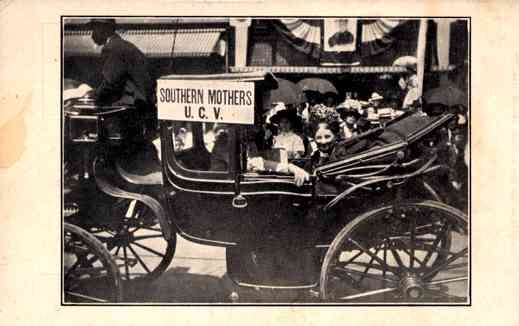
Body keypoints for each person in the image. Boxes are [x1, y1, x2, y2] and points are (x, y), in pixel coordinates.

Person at [89, 18, 156, 138]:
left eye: (95, 29)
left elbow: (111, 82)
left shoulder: (112, 48)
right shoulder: (126, 46)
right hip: (143, 108)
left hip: (129, 110)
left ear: (105, 29)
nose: (92, 35)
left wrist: (94, 96)